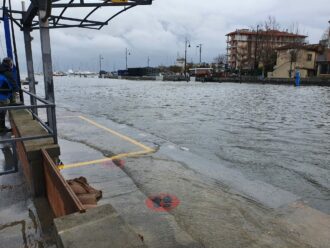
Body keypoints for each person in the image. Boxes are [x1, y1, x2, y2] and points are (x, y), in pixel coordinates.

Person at [0, 57, 17, 133]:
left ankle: (2, 127)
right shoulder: (7, 72)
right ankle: (2, 129)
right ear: (9, 63)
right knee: (2, 113)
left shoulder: (2, 70)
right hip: (2, 96)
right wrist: (16, 89)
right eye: (11, 63)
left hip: (2, 95)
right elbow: (15, 86)